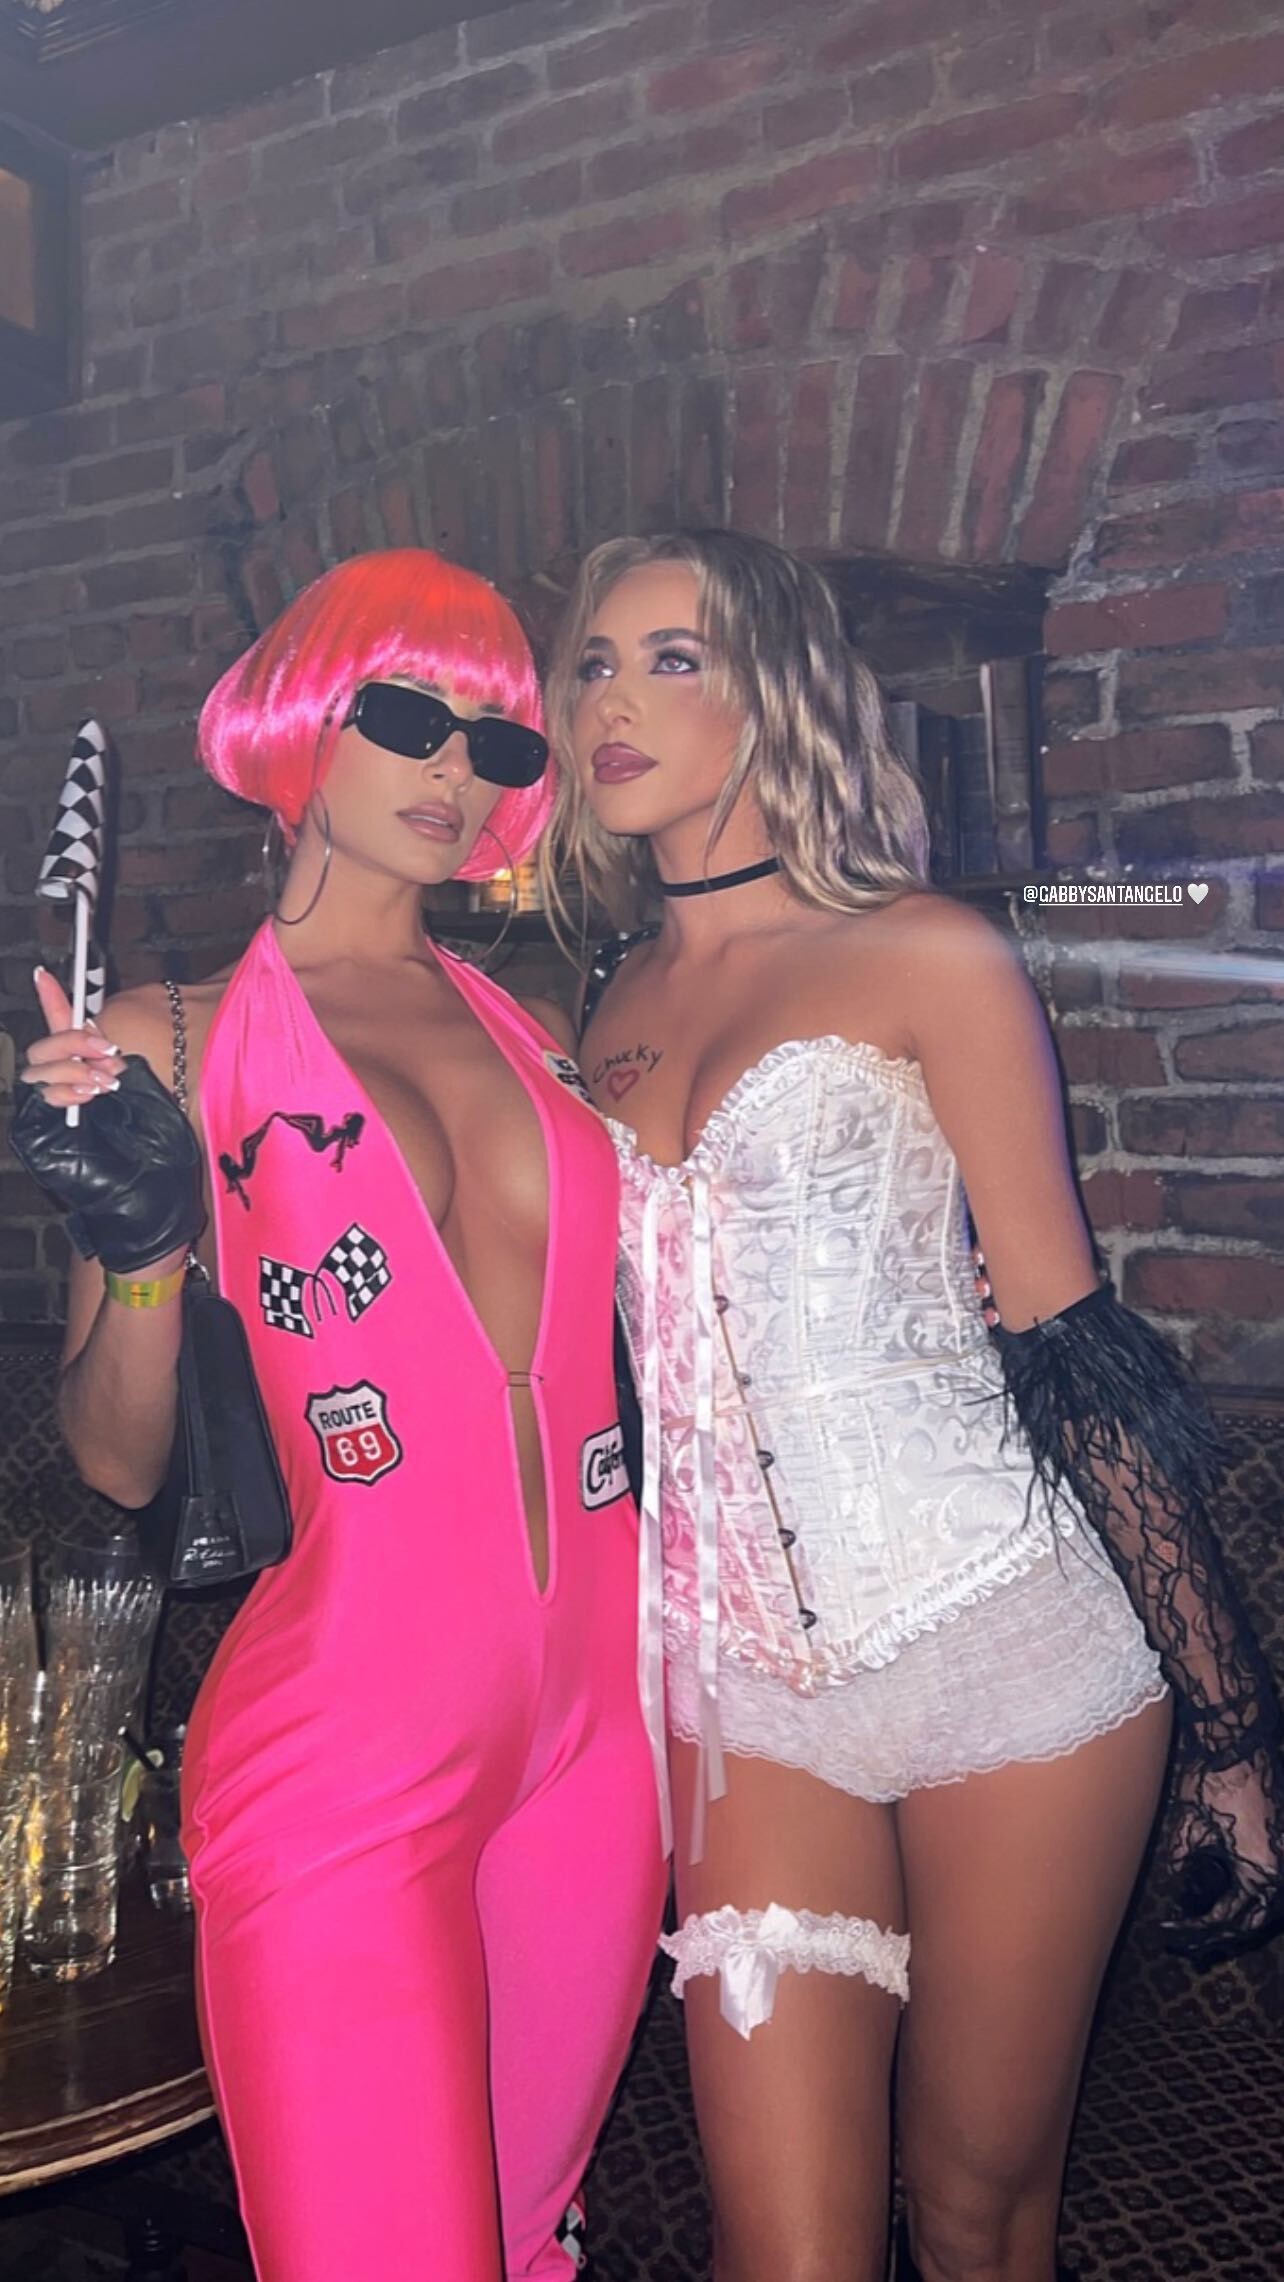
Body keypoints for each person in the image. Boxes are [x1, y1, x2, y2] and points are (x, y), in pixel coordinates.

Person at [540, 527, 1284, 2282]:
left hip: (1004, 1648)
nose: (614, 703)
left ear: (776, 689)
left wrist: (1233, 1723)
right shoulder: (600, 1001)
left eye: (671, 658)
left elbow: (1074, 1344)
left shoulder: (928, 951)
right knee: (782, 2250)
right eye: (592, 665)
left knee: (973, 2220)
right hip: (740, 1694)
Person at [13, 548, 666, 2282]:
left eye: (496, 741)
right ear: (306, 715)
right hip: (349, 1750)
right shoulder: (165, 1040)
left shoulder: (540, 1027)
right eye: (407, 715)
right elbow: (115, 1458)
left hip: (600, 1754)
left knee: (528, 2250)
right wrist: (141, 1251)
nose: (455, 767)